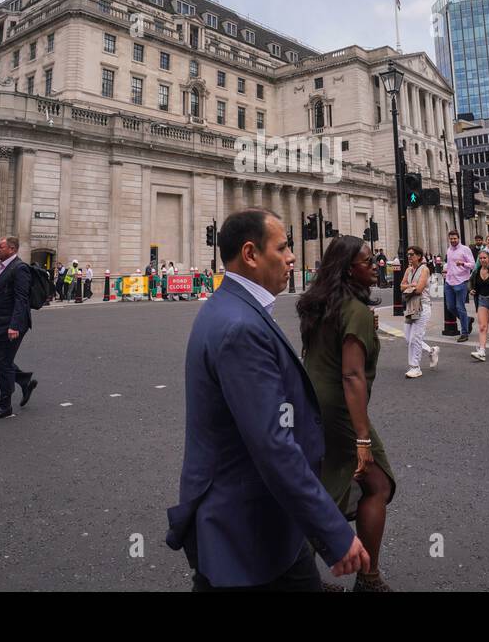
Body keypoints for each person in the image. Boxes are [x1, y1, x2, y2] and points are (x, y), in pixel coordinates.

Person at [166, 209, 368, 591]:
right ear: (251, 254)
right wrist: (333, 532)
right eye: (283, 246)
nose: (293, 256)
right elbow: (272, 444)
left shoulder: (229, 307)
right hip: (245, 523)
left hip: (260, 520)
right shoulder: (240, 326)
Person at [298, 233, 395, 591]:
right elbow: (352, 375)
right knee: (374, 483)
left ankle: (301, 574)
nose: (375, 266)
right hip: (340, 407)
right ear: (348, 270)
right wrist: (363, 439)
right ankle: (366, 578)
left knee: (328, 484)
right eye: (367, 262)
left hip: (315, 401)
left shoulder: (321, 304)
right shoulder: (354, 312)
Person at [0, 235, 36, 420]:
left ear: (12, 249)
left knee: (4, 363)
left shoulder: (19, 268)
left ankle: (4, 405)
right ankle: (24, 380)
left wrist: (15, 325)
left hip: (11, 325)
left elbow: (21, 299)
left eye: (1, 246)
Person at [400, 245, 438, 378]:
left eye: (411, 254)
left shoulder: (424, 269)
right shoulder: (408, 270)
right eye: (408, 254)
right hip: (411, 306)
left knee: (415, 337)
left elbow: (419, 289)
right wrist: (410, 285)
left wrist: (409, 287)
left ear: (418, 256)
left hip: (422, 305)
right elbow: (401, 286)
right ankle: (431, 350)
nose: (409, 257)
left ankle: (415, 367)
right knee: (408, 337)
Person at [443, 229, 475, 343]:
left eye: (455, 238)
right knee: (450, 307)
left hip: (461, 282)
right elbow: (450, 265)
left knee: (460, 307)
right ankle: (467, 320)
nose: (453, 240)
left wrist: (463, 264)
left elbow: (473, 265)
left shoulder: (465, 249)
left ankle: (464, 333)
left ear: (458, 238)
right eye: (451, 239)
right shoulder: (449, 250)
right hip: (449, 281)